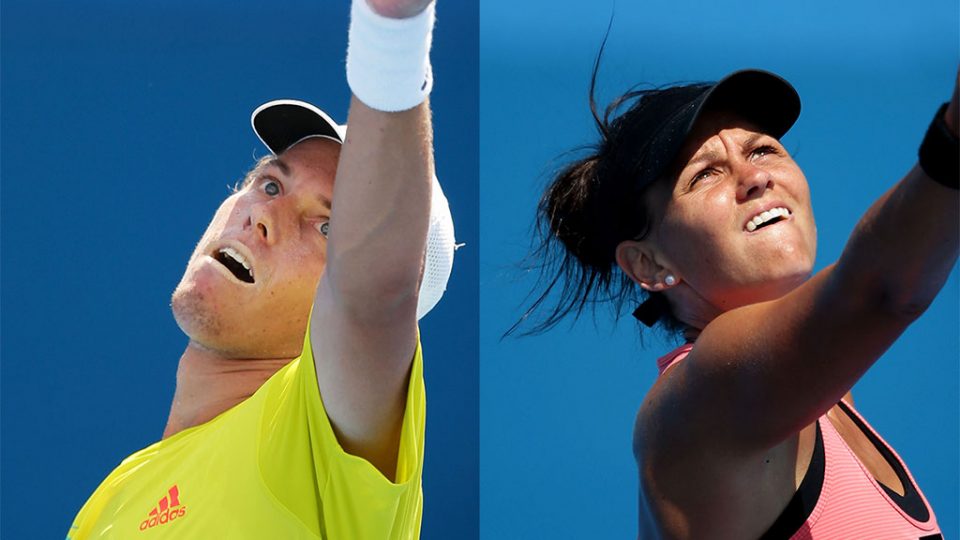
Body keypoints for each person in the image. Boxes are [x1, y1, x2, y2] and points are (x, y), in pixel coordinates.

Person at [521, 57, 957, 538]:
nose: (755, 177)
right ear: (650, 264)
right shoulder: (701, 395)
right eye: (705, 174)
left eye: (765, 150)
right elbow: (882, 291)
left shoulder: (829, 399)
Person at [66, 0, 455, 538]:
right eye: (270, 183)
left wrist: (392, 30)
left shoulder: (319, 441)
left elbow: (375, 294)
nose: (264, 214)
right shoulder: (114, 495)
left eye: (326, 228)